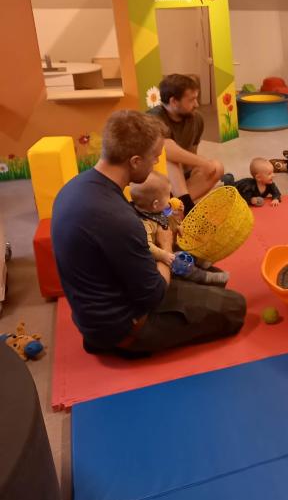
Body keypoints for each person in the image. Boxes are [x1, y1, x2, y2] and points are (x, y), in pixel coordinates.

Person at [51, 110, 246, 357]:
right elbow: (153, 295)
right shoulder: (116, 217)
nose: (156, 164)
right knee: (235, 306)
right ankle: (126, 344)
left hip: (95, 310)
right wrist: (164, 247)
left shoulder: (74, 187)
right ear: (134, 161)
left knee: (211, 276)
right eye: (153, 159)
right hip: (123, 326)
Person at [130, 171, 230, 286]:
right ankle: (204, 277)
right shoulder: (144, 223)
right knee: (179, 261)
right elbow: (147, 247)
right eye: (168, 196)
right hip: (159, 258)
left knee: (188, 243)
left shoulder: (155, 210)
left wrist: (177, 223)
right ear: (155, 204)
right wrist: (163, 255)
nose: (170, 199)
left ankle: (201, 261)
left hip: (169, 245)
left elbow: (167, 223)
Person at [148, 74, 224, 213]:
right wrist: (203, 163)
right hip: (152, 180)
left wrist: (204, 168)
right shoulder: (152, 119)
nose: (197, 104)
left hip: (178, 183)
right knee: (171, 157)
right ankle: (187, 207)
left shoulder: (196, 119)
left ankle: (175, 206)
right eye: (192, 100)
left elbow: (191, 156)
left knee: (216, 167)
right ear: (174, 101)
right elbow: (166, 149)